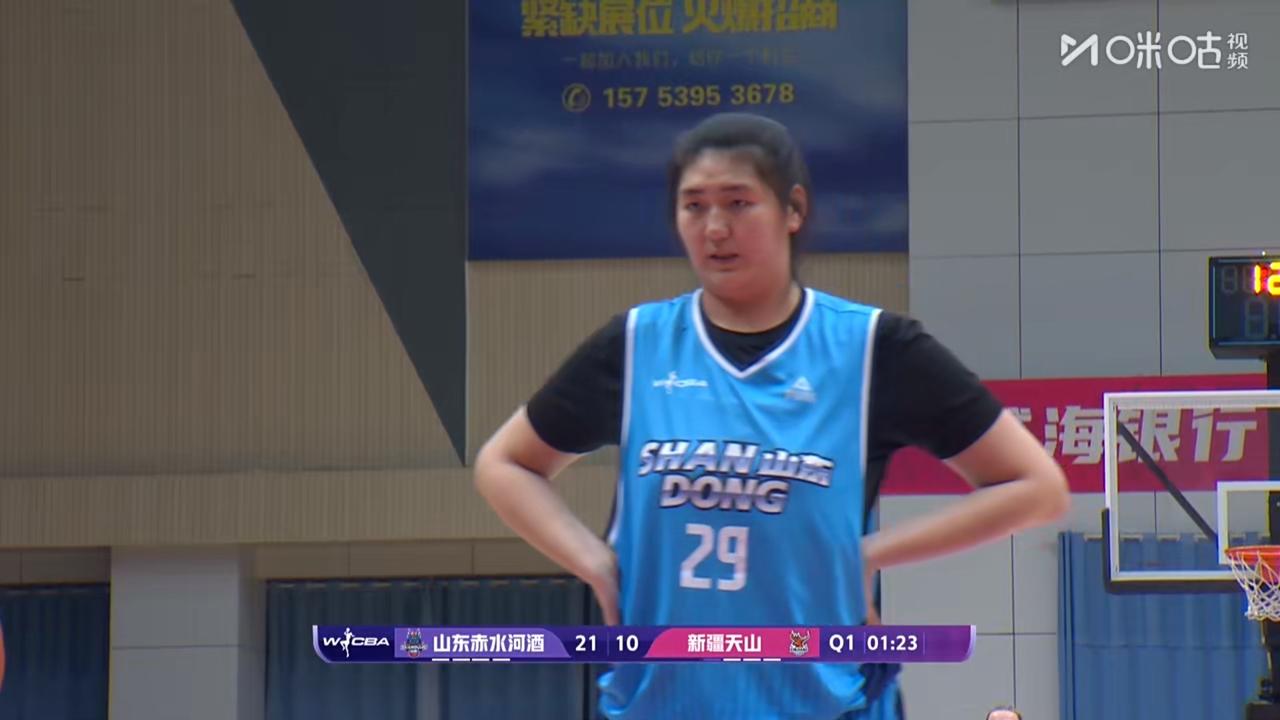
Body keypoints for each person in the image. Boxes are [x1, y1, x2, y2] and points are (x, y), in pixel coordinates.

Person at [474, 112, 1070, 719]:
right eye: (694, 206)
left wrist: (865, 555)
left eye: (738, 203)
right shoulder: (635, 345)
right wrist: (594, 562)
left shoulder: (874, 349)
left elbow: (1037, 488)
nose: (715, 228)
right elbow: (505, 464)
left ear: (793, 209)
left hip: (822, 701)